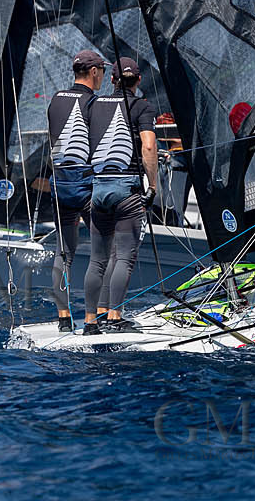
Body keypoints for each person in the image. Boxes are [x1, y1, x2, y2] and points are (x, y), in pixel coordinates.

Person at [82, 56, 158, 335]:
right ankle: (115, 318)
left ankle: (91, 321)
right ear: (138, 81)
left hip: (98, 189)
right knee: (124, 257)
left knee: (97, 259)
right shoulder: (141, 106)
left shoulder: (93, 105)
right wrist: (152, 186)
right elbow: (148, 147)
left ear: (112, 80)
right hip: (127, 191)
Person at [44, 49, 103, 330]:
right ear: (93, 72)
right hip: (87, 187)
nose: (102, 76)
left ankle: (64, 319)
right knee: (104, 251)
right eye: (102, 71)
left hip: (60, 186)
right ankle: (96, 318)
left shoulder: (56, 100)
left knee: (63, 253)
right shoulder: (94, 103)